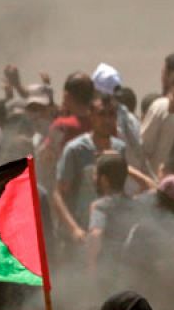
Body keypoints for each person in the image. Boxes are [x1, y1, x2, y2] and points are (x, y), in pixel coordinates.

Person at [54, 92, 128, 246]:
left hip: (110, 235)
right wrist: (74, 229)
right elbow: (59, 194)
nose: (107, 120)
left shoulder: (119, 149)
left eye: (111, 115)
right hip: (82, 235)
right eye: (102, 114)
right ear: (91, 116)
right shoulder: (76, 149)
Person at [141, 52, 174, 176]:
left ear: (170, 76)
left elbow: (143, 148)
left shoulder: (161, 106)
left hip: (161, 184)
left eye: (163, 72)